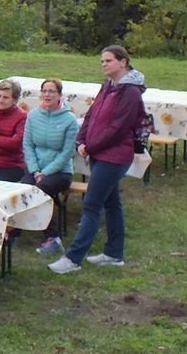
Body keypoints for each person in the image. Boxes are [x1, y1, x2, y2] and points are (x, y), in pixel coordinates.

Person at [50, 46, 146, 274]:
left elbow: (119, 128)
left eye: (109, 61)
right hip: (98, 153)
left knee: (91, 205)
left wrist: (90, 146)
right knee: (112, 204)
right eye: (102, 61)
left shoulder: (130, 92)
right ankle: (114, 254)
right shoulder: (108, 86)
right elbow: (92, 115)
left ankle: (73, 259)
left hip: (115, 157)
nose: (104, 64)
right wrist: (81, 140)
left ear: (123, 62)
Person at [25, 78, 80, 255]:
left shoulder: (69, 120)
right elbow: (27, 145)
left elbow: (67, 153)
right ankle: (14, 230)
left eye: (52, 91)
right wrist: (34, 170)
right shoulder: (33, 115)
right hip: (36, 169)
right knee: (19, 189)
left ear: (59, 95)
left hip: (60, 172)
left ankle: (53, 238)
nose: (47, 95)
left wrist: (45, 173)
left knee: (39, 191)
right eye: (45, 91)